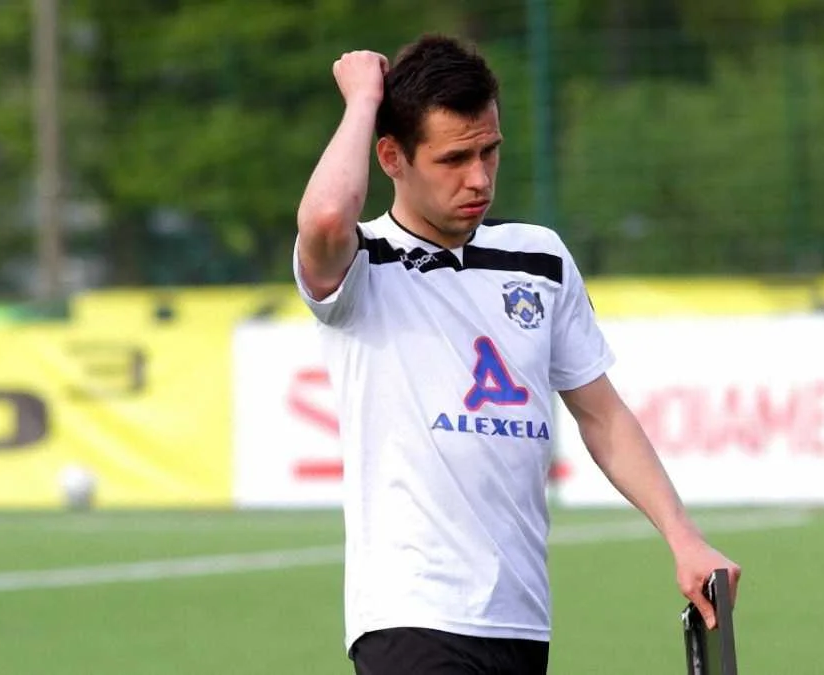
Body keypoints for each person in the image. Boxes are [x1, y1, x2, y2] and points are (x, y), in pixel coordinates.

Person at [293, 33, 741, 675]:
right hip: (410, 615)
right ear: (391, 157)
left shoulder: (540, 258)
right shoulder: (362, 263)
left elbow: (603, 416)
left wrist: (684, 538)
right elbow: (325, 221)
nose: (479, 178)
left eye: (490, 151)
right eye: (454, 158)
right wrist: (363, 100)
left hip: (520, 619)